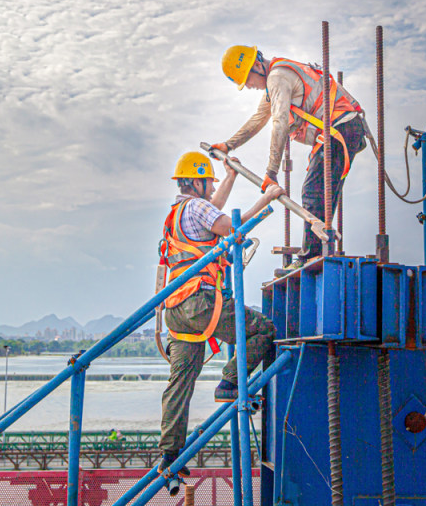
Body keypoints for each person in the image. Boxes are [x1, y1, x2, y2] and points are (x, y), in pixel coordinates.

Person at [156, 151, 281, 476]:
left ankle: (170, 454)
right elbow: (231, 227)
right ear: (196, 182)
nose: (212, 187)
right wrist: (267, 198)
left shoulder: (179, 211)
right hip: (201, 303)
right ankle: (230, 381)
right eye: (209, 181)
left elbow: (214, 211)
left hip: (176, 308)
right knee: (263, 330)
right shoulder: (197, 207)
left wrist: (230, 175)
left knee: (180, 380)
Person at [213, 45, 368, 268]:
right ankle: (319, 250)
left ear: (257, 65)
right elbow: (259, 119)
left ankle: (312, 257)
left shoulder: (277, 78)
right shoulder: (275, 80)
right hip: (342, 128)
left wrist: (271, 172)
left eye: (247, 79)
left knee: (314, 192)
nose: (248, 86)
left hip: (340, 127)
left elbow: (280, 124)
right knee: (320, 191)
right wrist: (229, 145)